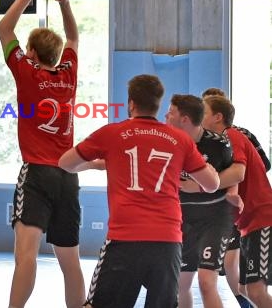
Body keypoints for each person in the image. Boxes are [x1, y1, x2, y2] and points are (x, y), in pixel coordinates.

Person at [59, 74, 219, 308]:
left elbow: (65, 163)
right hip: (167, 242)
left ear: (131, 103)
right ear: (158, 105)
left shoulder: (111, 133)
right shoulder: (180, 140)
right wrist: (212, 170)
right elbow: (211, 185)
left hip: (125, 239)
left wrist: (96, 162)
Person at [0, 0, 84, 308]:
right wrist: (64, 5)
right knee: (70, 260)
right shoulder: (69, 74)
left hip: (37, 175)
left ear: (31, 53)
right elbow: (73, 37)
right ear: (57, 55)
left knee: (27, 256)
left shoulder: (28, 72)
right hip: (67, 176)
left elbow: (5, 29)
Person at [165, 94, 243, 308]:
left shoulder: (219, 144)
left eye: (171, 112)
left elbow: (235, 174)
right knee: (181, 285)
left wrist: (202, 186)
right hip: (183, 218)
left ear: (185, 119)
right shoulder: (167, 141)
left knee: (207, 282)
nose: (165, 116)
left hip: (214, 218)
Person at [202, 87, 271, 308]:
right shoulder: (219, 142)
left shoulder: (231, 136)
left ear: (218, 116)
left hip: (262, 218)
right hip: (247, 223)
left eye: (202, 112)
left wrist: (208, 185)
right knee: (244, 289)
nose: (197, 118)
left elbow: (238, 172)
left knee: (257, 290)